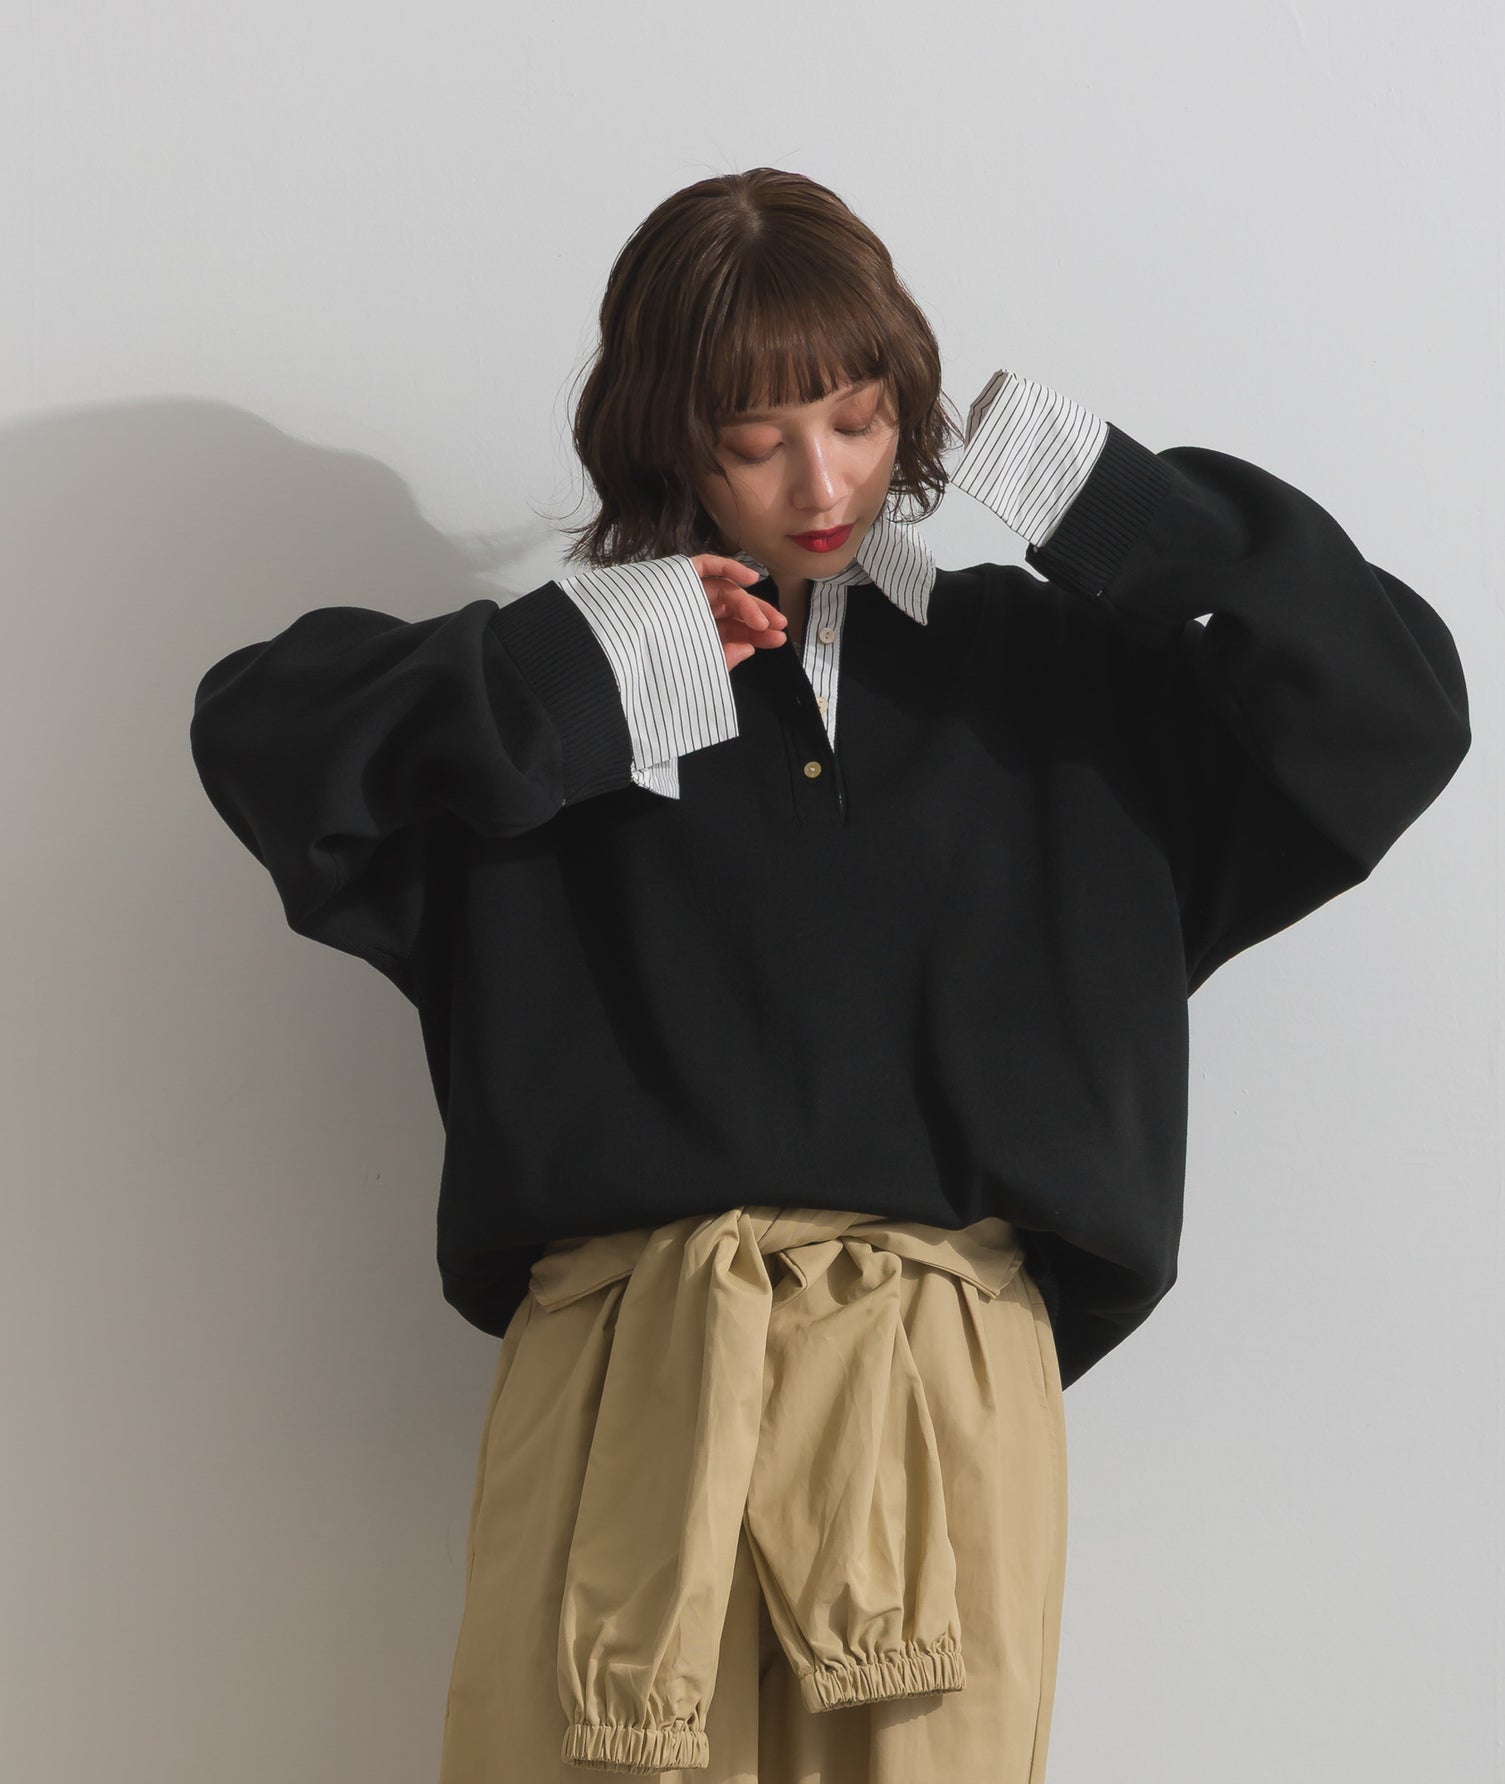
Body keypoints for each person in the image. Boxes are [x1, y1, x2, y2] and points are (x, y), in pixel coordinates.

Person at [189, 167, 1472, 1782]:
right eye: (754, 440)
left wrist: (1117, 511)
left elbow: (1387, 709)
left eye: (859, 421)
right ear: (666, 437)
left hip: (937, 1393)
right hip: (627, 1388)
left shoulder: (1056, 689)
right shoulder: (558, 703)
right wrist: (575, 663)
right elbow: (261, 743)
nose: (824, 480)